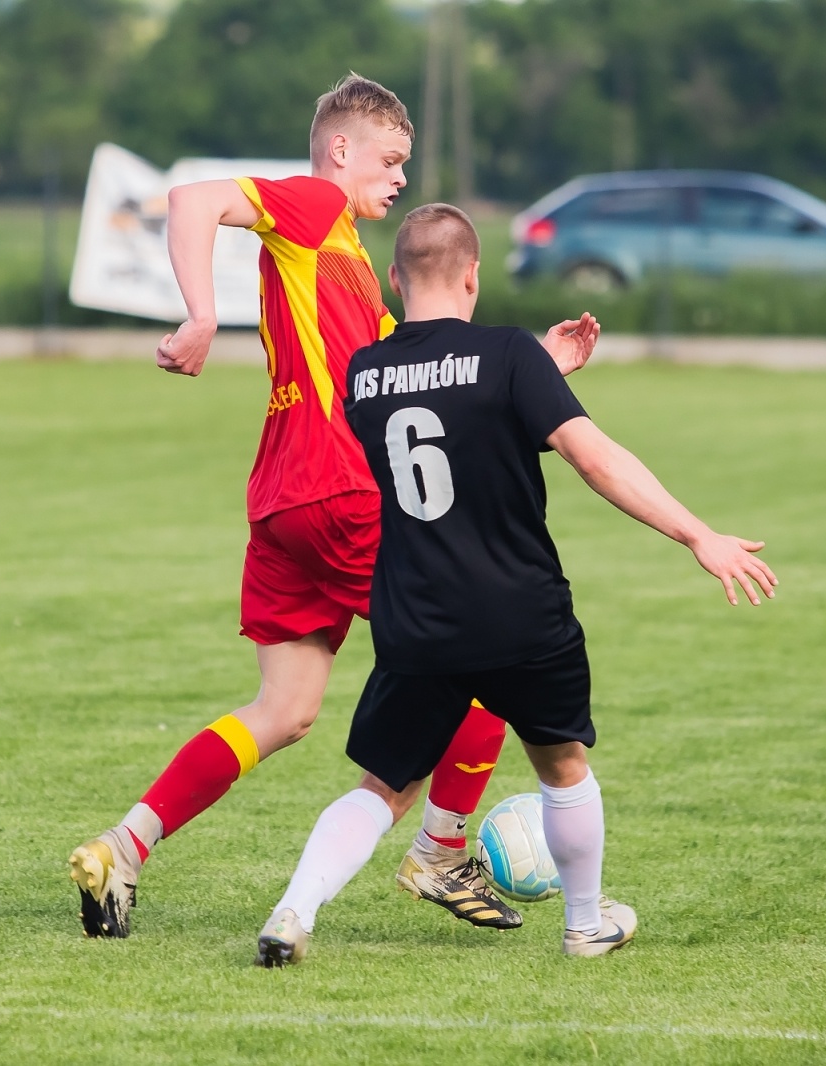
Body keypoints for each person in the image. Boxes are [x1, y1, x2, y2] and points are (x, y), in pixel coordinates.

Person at [68, 75, 601, 938]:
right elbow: (194, 198)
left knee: (284, 710)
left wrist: (536, 365)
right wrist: (203, 314)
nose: (398, 179)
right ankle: (439, 849)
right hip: (345, 491)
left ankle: (123, 846)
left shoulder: (347, 260)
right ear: (342, 151)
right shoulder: (317, 206)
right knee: (487, 656)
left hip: (281, 503)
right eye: (390, 160)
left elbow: (430, 382)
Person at [254, 204, 776, 966]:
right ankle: (586, 923)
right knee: (562, 765)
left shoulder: (363, 374)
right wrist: (698, 533)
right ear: (474, 275)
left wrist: (532, 373)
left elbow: (438, 406)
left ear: (395, 281)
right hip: (517, 613)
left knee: (383, 787)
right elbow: (594, 458)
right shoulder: (507, 357)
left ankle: (292, 912)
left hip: (415, 619)